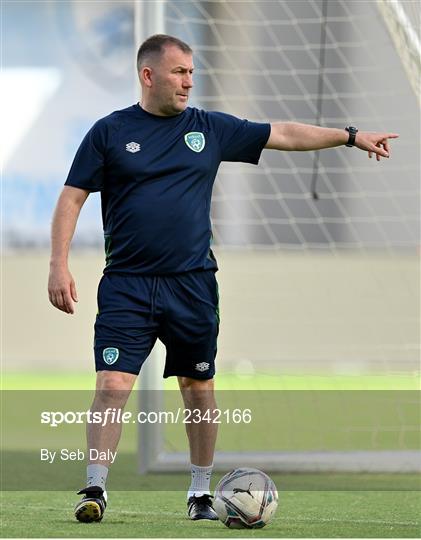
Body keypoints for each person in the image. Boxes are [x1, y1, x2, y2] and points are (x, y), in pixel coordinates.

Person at [48, 34, 398, 523]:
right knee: (112, 384)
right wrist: (58, 264)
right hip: (127, 284)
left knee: (199, 387)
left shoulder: (209, 128)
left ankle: (198, 493)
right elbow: (72, 198)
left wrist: (349, 134)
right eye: (179, 72)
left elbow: (285, 134)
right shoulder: (109, 132)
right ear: (148, 75)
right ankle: (94, 489)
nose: (189, 81)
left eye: (192, 72)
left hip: (191, 285)